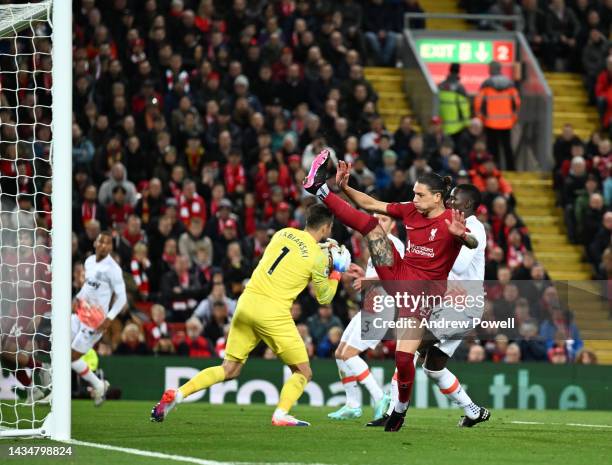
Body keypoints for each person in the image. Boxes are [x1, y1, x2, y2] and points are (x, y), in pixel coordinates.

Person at [303, 149, 478, 432]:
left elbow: (473, 244)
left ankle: (399, 410)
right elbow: (370, 202)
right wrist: (345, 187)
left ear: (437, 197)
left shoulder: (451, 221)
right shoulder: (410, 209)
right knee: (372, 227)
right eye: (414, 193)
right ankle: (319, 190)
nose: (415, 199)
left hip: (422, 293)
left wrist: (464, 237)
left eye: (420, 195)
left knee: (402, 357)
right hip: (399, 272)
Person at [151, 204, 348, 426]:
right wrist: (336, 270)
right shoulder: (317, 258)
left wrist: (322, 251)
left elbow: (294, 256)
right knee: (303, 372)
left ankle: (178, 394)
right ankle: (281, 413)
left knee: (229, 369)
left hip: (246, 303)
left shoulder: (282, 233)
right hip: (273, 312)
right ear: (326, 228)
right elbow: (325, 298)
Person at [367, 184, 490, 428]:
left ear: (466, 205)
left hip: (463, 306)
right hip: (449, 304)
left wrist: (440, 246)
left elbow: (460, 265)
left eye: (454, 198)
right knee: (433, 366)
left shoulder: (474, 227)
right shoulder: (445, 221)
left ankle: (392, 410)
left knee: (409, 347)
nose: (448, 200)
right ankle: (473, 411)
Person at [328, 214, 404, 421]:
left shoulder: (393, 243)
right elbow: (381, 273)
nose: (379, 222)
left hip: (383, 308)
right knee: (340, 353)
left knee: (350, 354)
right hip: (371, 306)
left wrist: (367, 279)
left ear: (393, 224)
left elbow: (398, 276)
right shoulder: (376, 245)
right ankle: (352, 404)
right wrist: (363, 273)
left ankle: (380, 397)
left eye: (385, 219)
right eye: (376, 218)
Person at [71, 231, 127, 405]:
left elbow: (122, 297)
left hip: (96, 320)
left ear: (111, 247)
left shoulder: (114, 269)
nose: (104, 245)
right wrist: (78, 298)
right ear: (95, 243)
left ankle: (97, 384)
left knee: (71, 357)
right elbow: (88, 287)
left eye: (108, 243)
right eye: (101, 242)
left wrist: (109, 318)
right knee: (59, 349)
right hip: (80, 312)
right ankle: (98, 385)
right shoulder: (88, 261)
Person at [474, 61, 520, 171]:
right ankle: (511, 169)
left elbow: (478, 103)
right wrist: (513, 117)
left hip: (490, 123)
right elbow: (517, 102)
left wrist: (481, 118)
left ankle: (495, 169)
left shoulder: (486, 84)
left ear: (491, 69)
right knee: (507, 147)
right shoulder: (509, 84)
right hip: (507, 123)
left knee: (493, 149)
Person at [438, 63, 470, 142]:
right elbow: (464, 107)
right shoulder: (459, 88)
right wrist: (467, 123)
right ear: (459, 71)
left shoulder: (440, 86)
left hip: (443, 125)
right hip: (457, 126)